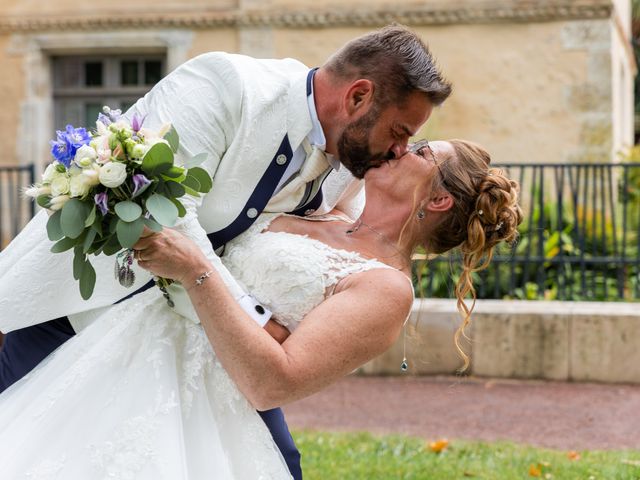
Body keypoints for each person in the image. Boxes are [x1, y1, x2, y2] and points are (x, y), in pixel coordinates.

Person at [0, 25, 451, 478]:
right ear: (357, 97)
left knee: (276, 464)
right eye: (399, 131)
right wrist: (257, 322)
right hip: (76, 310)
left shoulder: (353, 163)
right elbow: (167, 219)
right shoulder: (224, 85)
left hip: (199, 344)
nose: (400, 149)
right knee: (29, 444)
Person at [0, 139, 522, 477]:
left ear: (438, 201)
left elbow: (276, 382)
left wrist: (194, 271)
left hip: (203, 396)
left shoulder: (387, 289)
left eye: (424, 152)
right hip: (125, 346)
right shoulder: (325, 206)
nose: (405, 144)